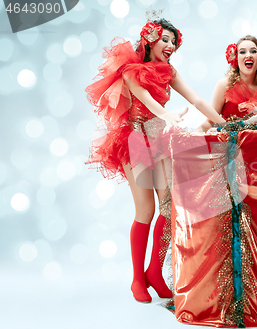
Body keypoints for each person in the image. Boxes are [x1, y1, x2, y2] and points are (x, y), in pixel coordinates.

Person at [86, 13, 227, 303]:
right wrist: (167, 114)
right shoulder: (130, 69)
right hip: (136, 138)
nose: (171, 46)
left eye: (174, 42)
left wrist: (223, 123)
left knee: (169, 208)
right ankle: (138, 279)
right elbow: (144, 97)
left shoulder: (170, 72)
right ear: (150, 39)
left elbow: (197, 100)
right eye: (166, 39)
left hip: (161, 139)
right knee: (146, 211)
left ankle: (155, 272)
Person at [198, 35, 257, 131]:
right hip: (229, 144)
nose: (248, 55)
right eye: (242, 52)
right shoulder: (224, 85)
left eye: (253, 51)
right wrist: (189, 139)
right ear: (236, 58)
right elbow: (208, 122)